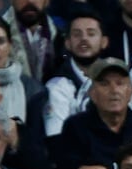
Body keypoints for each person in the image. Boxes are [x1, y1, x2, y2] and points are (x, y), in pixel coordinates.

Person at [44, 7, 108, 138]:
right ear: (67, 43)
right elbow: (55, 138)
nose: (84, 39)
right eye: (77, 34)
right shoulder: (56, 86)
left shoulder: (117, 78)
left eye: (91, 33)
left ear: (104, 42)